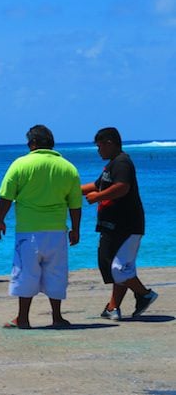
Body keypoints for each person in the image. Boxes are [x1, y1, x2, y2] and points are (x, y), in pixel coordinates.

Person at [0, 125, 82, 329]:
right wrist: (75, 229)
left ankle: (23, 318)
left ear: (33, 143)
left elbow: (6, 196)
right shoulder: (68, 167)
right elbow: (75, 204)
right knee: (56, 273)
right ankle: (57, 317)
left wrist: (0, 220)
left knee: (26, 273)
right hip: (57, 232)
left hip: (28, 231)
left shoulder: (21, 164)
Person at [81, 127, 158, 320]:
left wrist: (98, 197)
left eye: (100, 146)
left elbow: (122, 188)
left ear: (109, 144)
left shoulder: (122, 162)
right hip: (112, 225)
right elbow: (97, 185)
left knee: (119, 267)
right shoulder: (112, 164)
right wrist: (69, 190)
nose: (98, 151)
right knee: (112, 264)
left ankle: (144, 293)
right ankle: (113, 308)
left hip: (127, 225)